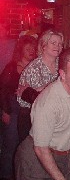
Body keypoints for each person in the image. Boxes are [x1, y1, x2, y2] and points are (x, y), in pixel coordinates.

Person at [14, 48, 70, 180]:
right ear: (62, 74)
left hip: (64, 156)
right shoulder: (48, 101)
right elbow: (40, 148)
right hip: (36, 159)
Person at [16, 29, 63, 142]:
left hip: (53, 116)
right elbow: (38, 98)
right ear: (43, 46)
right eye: (53, 43)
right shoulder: (35, 67)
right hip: (30, 117)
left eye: (60, 44)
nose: (58, 46)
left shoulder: (61, 64)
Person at [0, 35, 37, 179]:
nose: (31, 51)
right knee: (11, 145)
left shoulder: (35, 67)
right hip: (13, 109)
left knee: (26, 147)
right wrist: (5, 111)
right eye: (28, 49)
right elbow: (2, 90)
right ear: (21, 50)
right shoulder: (11, 67)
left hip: (29, 110)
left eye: (33, 49)